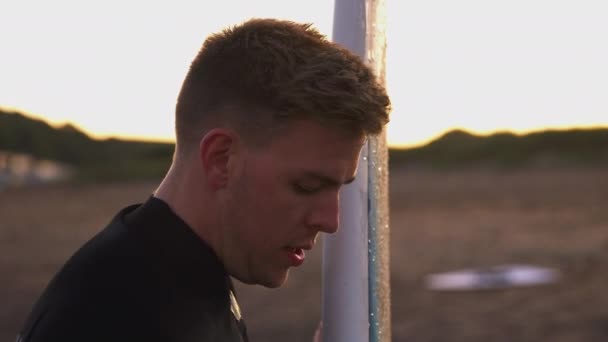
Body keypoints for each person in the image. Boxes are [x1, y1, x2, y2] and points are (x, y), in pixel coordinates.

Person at [17, 18, 390, 342]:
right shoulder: (120, 318)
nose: (330, 220)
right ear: (221, 158)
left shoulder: (172, 272)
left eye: (340, 187)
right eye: (306, 186)